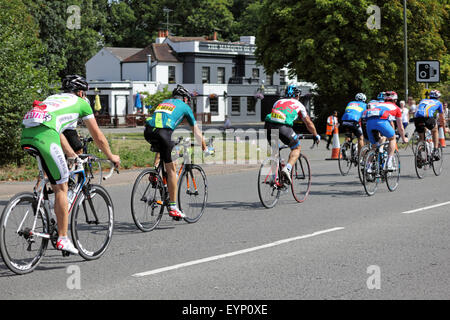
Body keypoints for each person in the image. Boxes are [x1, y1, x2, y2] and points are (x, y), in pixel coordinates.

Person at [20, 75, 120, 255]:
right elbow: (97, 136)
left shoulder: (52, 99)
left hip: (27, 134)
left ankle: (42, 201)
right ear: (81, 92)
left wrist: (71, 154)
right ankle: (63, 238)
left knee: (52, 177)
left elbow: (56, 130)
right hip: (46, 134)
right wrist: (111, 156)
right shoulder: (82, 103)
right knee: (61, 186)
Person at [144, 85, 212, 219]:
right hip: (163, 134)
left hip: (148, 131)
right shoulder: (185, 107)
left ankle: (155, 172)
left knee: (164, 147)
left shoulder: (164, 103)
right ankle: (173, 207)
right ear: (185, 99)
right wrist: (205, 148)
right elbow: (197, 132)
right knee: (172, 170)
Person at [264, 84, 320, 184]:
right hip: (283, 127)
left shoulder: (278, 101)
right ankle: (288, 169)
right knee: (296, 148)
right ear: (297, 96)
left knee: (275, 150)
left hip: (268, 126)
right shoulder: (299, 105)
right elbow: (308, 122)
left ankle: (274, 177)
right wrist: (315, 135)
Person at [365, 91, 408, 171]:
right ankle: (389, 162)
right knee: (392, 138)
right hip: (381, 121)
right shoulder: (397, 108)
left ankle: (368, 167)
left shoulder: (378, 104)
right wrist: (403, 137)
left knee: (374, 147)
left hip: (369, 122)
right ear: (395, 100)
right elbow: (400, 127)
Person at [413, 90, 445, 160]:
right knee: (435, 130)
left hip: (417, 118)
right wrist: (443, 126)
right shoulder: (439, 103)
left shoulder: (423, 100)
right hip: (427, 117)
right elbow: (441, 117)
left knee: (421, 138)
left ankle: (419, 154)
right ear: (438, 97)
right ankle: (436, 150)